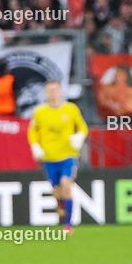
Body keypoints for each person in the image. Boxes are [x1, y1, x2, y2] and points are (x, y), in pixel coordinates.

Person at [28, 81, 88, 234]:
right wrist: (35, 146)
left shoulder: (71, 109)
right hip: (49, 158)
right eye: (50, 90)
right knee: (57, 191)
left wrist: (80, 137)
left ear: (60, 91)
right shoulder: (40, 112)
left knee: (66, 184)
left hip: (67, 155)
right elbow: (32, 131)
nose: (53, 93)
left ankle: (68, 225)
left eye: (55, 90)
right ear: (46, 93)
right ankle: (61, 204)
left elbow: (82, 126)